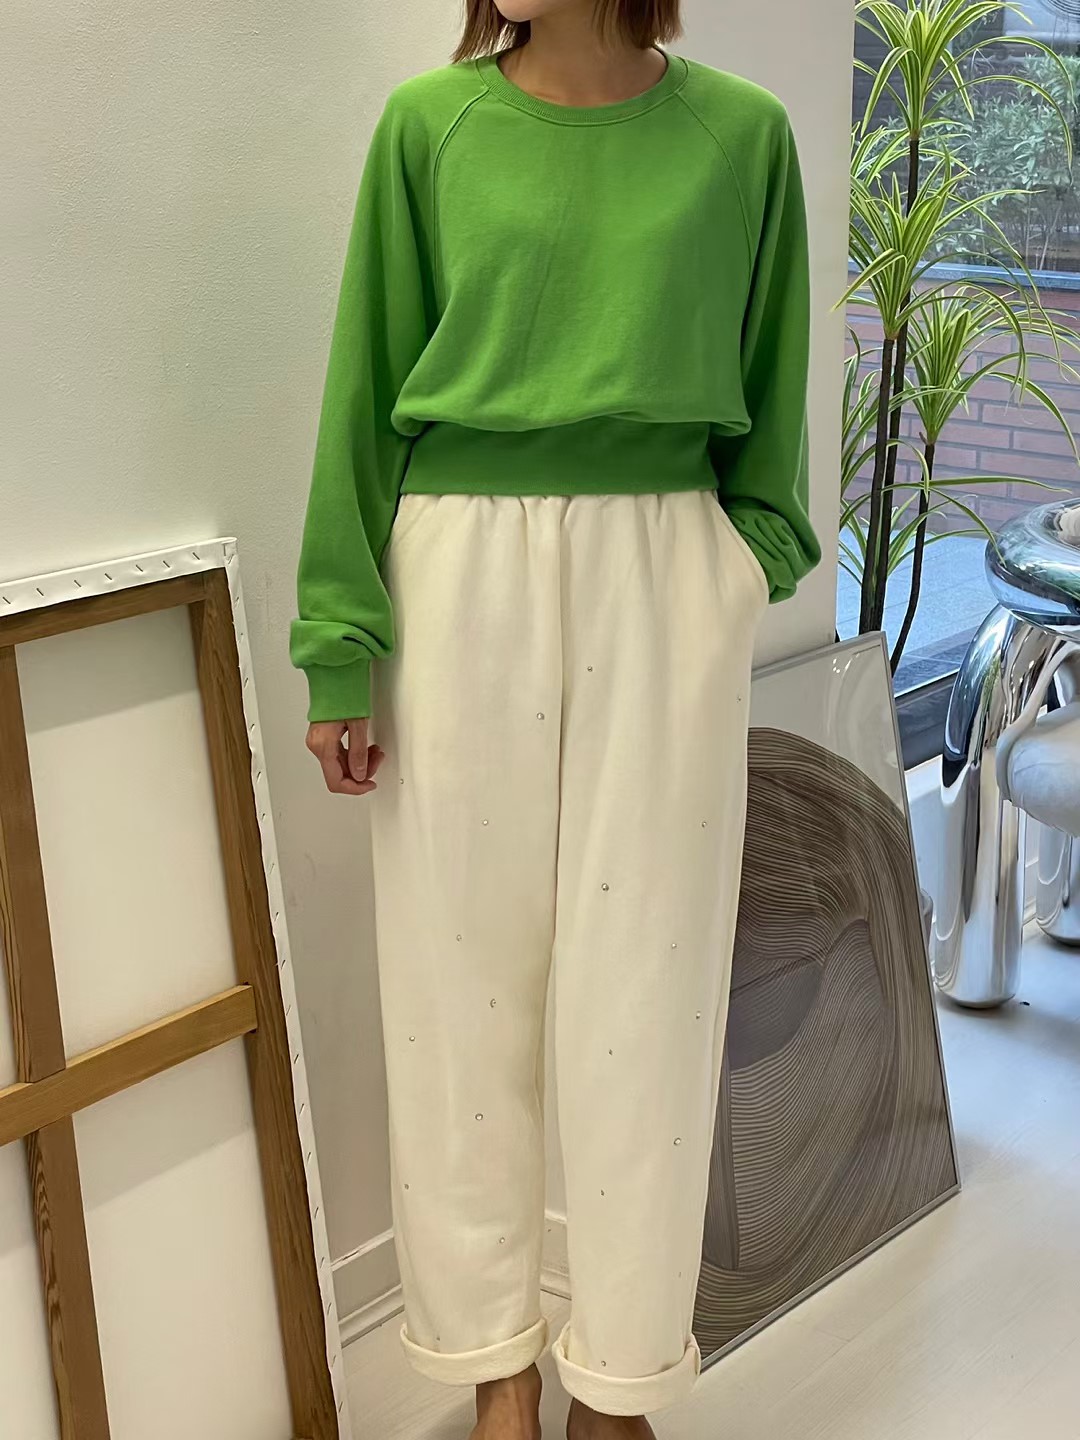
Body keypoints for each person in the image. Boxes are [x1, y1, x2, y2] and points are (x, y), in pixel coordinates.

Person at [290, 1, 819, 1435]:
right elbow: (361, 397)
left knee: (650, 992)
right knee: (456, 998)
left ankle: (621, 1381)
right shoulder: (430, 126)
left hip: (664, 576)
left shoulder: (743, 137)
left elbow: (773, 394)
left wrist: (741, 563)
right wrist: (339, 644)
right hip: (458, 574)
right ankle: (496, 1373)